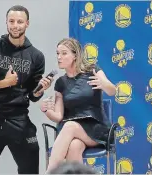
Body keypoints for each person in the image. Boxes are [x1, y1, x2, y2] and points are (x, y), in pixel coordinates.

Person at [0, 5, 53, 174]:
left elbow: (32, 95)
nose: (15, 25)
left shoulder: (36, 56)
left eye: (20, 22)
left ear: (27, 24)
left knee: (30, 169)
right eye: (11, 21)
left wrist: (39, 90)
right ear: (6, 23)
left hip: (19, 120)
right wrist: (4, 83)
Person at [40, 38, 116, 172]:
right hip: (72, 132)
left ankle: (49, 172)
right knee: (74, 147)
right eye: (57, 53)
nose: (59, 57)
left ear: (75, 55)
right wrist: (46, 110)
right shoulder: (60, 83)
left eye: (64, 53)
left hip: (95, 128)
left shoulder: (92, 70)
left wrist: (103, 84)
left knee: (69, 126)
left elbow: (112, 90)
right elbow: (58, 116)